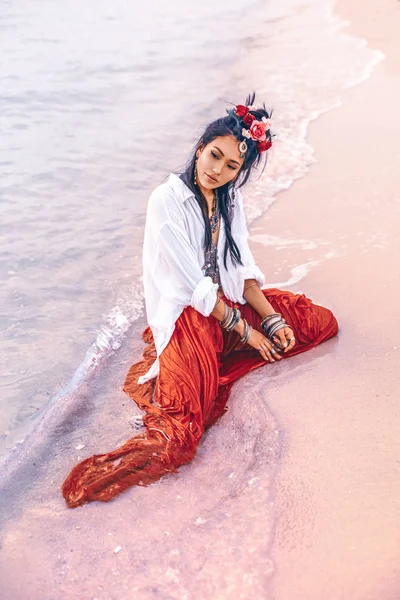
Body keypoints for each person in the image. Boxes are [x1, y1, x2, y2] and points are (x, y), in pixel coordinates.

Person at [62, 92, 338, 508]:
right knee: (179, 439)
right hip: (191, 319)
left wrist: (272, 321)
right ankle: (199, 362)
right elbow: (193, 287)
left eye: (231, 166)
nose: (217, 171)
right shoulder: (166, 201)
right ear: (199, 148)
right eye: (213, 156)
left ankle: (222, 356)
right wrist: (248, 332)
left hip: (226, 310)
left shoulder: (230, 200)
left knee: (318, 322)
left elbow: (242, 270)